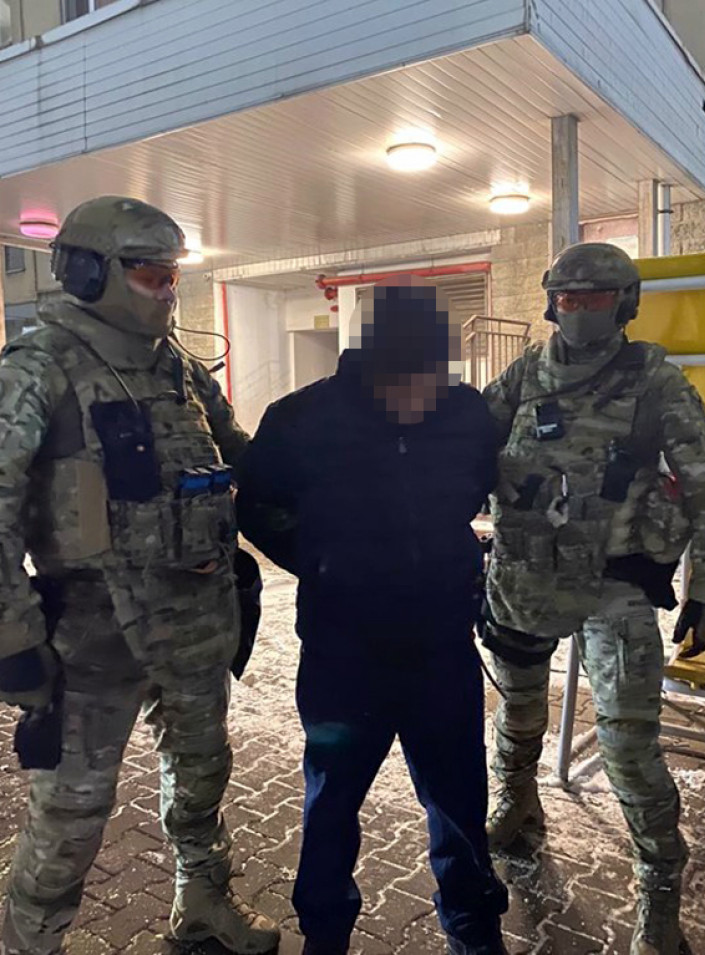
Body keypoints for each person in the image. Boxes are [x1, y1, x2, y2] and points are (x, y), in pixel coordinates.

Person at [0, 196, 279, 955]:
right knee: (71, 815)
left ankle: (202, 905)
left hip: (194, 620)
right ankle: (30, 942)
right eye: (150, 275)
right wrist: (14, 639)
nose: (167, 291)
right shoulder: (39, 367)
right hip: (95, 637)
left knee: (202, 776)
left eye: (172, 276)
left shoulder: (176, 365)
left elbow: (241, 455)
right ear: (87, 272)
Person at [236, 276, 509, 955]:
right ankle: (325, 932)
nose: (421, 397)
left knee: (458, 798)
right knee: (331, 802)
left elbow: (480, 483)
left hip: (441, 648)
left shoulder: (464, 411)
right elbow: (256, 505)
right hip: (343, 652)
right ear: (370, 366)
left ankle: (472, 925)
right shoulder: (302, 419)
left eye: (433, 379)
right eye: (407, 382)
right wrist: (320, 559)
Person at [482, 242, 705, 955]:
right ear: (550, 304)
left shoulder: (655, 381)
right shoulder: (525, 373)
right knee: (518, 708)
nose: (579, 310)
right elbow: (462, 443)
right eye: (567, 298)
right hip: (526, 576)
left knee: (626, 745)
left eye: (594, 298)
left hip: (614, 584)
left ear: (624, 304)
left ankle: (659, 891)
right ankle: (517, 803)